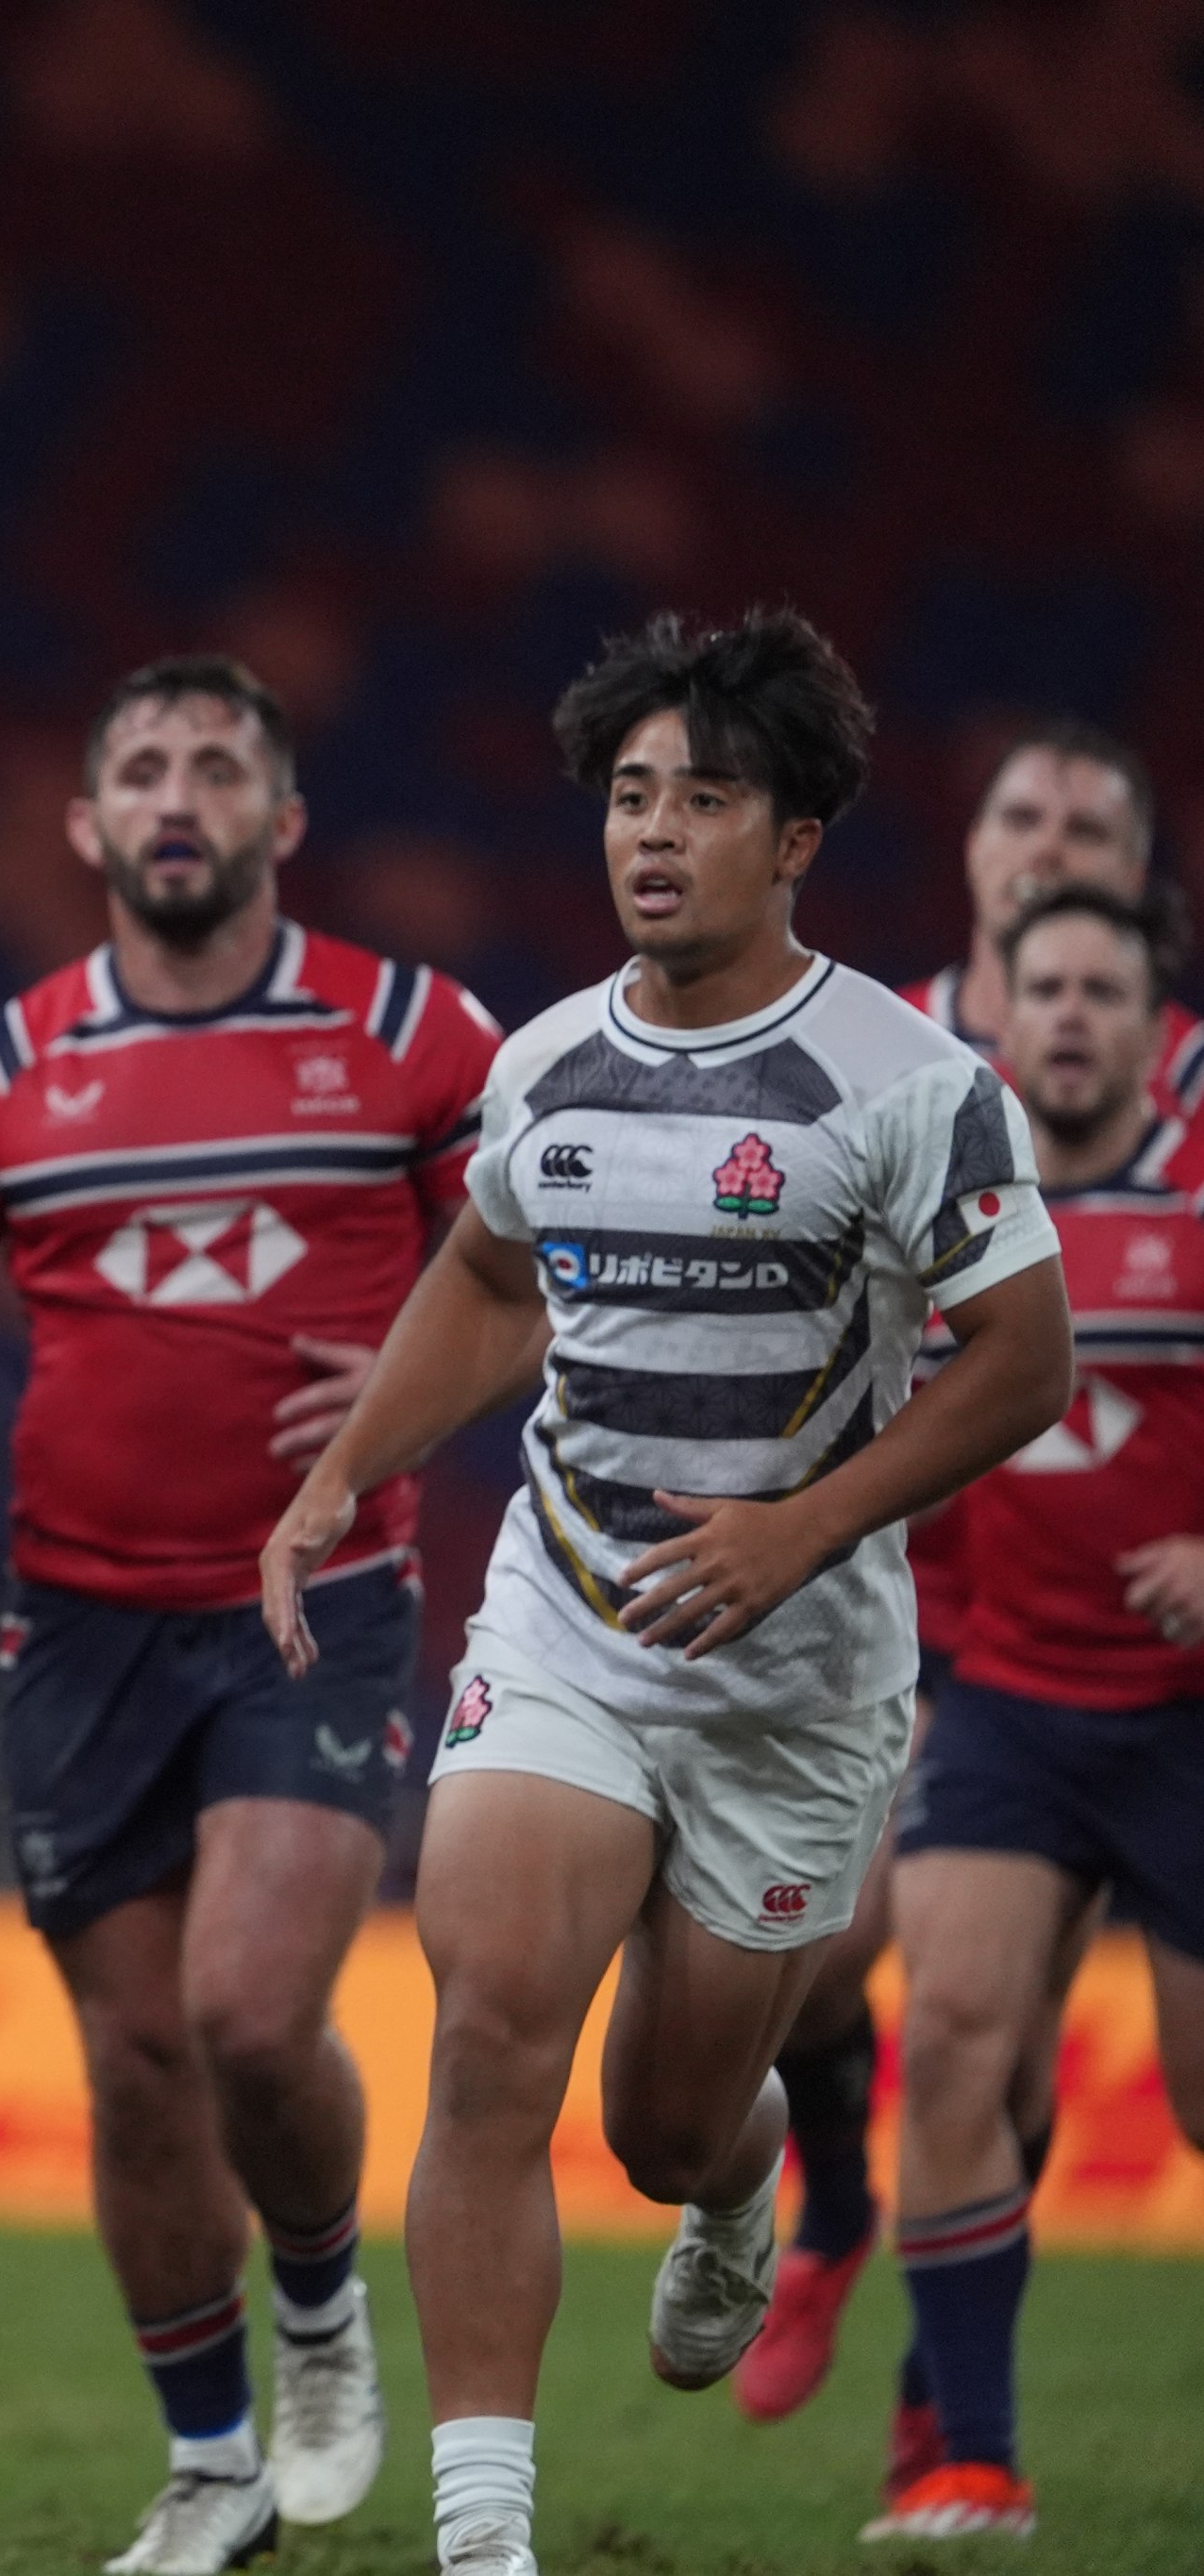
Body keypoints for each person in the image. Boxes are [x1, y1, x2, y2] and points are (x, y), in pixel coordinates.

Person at [260, 606, 1075, 2576]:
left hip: (795, 1684)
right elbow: (479, 1279)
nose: (652, 833)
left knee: (659, 2123)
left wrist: (802, 1528)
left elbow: (1023, 1359)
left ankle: (740, 2188)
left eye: (702, 799)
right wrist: (343, 1471)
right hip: (569, 1624)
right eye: (630, 795)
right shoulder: (544, 1067)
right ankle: (481, 2541)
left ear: (792, 836)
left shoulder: (904, 1082)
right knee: (485, 2035)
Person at [0, 656, 498, 2572]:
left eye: (216, 766)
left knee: (250, 2017)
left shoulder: (413, 1034)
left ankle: (324, 2315)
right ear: (87, 829)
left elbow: (543, 1272)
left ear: (281, 820)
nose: (176, 795)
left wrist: (394, 1380)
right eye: (140, 771)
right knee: (132, 2064)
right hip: (75, 1618)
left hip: (311, 1597)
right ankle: (209, 2468)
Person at [739, 717, 1194, 2423]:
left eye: (1093, 817)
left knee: (984, 2021)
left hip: (1067, 1639)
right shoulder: (874, 1048)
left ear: (1139, 886)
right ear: (974, 849)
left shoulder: (1172, 1088)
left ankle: (945, 2377)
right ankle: (847, 2220)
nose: (1053, 838)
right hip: (884, 1610)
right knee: (807, 1962)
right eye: (1024, 808)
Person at [862, 883, 1204, 2540]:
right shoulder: (941, 1211)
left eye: (1101, 989)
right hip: (1006, 1700)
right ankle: (969, 2457)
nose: (1068, 1013)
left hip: (1192, 1716)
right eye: (1041, 987)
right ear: (1001, 1018)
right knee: (949, 2043)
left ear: (1155, 1024)